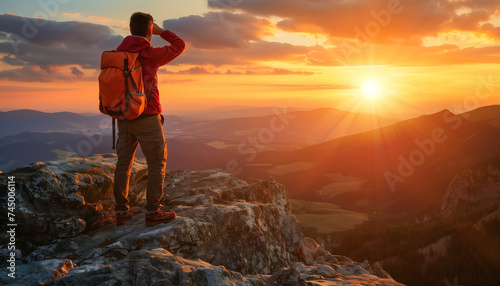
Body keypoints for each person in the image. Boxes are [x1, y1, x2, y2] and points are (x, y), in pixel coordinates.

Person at [114, 12, 185, 226]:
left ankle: (121, 212)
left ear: (130, 28)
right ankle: (153, 212)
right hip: (147, 115)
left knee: (123, 164)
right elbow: (179, 45)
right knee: (156, 163)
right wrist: (162, 32)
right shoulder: (150, 53)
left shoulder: (118, 53)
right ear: (150, 29)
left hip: (123, 116)